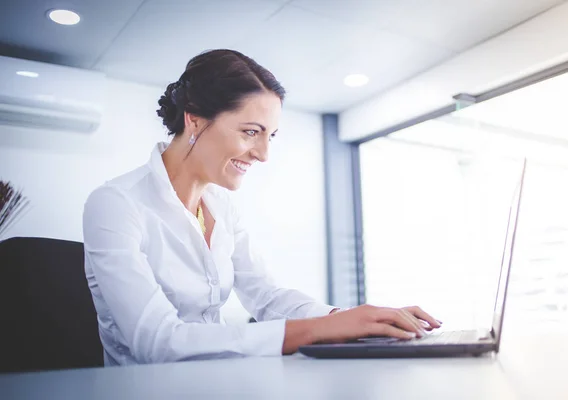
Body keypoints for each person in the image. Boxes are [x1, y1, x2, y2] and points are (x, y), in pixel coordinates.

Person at [82, 49, 441, 366]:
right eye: (251, 132)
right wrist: (320, 329)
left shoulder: (221, 206)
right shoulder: (116, 204)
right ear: (194, 119)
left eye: (270, 136)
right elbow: (157, 342)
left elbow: (267, 297)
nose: (263, 154)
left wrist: (349, 319)